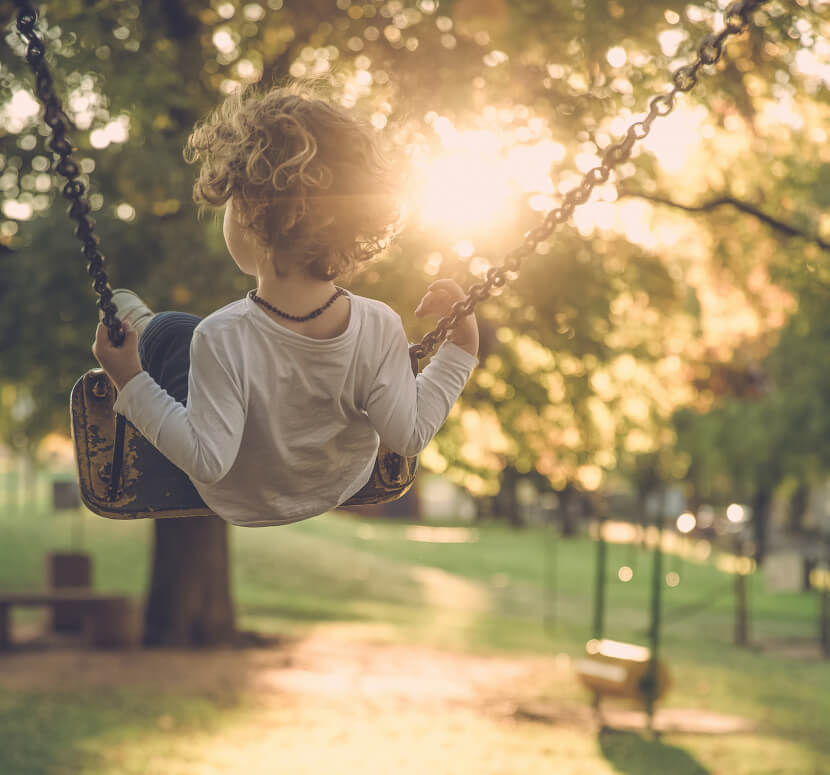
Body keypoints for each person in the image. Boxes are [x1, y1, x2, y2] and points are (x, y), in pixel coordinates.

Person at [91, 82, 478, 527]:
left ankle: (143, 327)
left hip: (241, 497)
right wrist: (460, 351)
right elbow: (408, 435)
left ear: (259, 212)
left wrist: (129, 380)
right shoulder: (380, 325)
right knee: (188, 337)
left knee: (171, 331)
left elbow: (207, 460)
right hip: (338, 484)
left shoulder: (219, 337)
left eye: (233, 203)